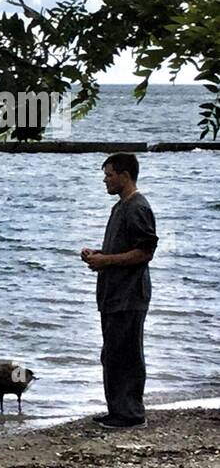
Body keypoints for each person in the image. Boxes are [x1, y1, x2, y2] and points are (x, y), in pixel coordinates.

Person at [81, 153, 158, 428]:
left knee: (127, 354)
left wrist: (108, 261)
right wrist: (99, 255)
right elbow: (124, 249)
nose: (105, 180)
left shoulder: (137, 207)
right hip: (113, 294)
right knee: (112, 353)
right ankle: (118, 409)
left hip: (130, 295)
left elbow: (145, 251)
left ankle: (131, 414)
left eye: (109, 175)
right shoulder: (120, 207)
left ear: (125, 176)